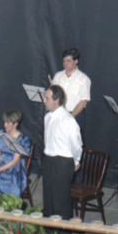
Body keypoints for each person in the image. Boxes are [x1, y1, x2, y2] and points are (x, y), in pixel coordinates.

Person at [42, 85, 82, 218]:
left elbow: (76, 145)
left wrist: (76, 161)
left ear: (56, 100)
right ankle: (49, 229)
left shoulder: (68, 120)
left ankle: (63, 231)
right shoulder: (47, 117)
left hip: (63, 162)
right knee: (48, 198)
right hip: (49, 160)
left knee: (61, 200)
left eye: (47, 98)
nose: (44, 101)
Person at [51, 47, 91, 133]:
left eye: (68, 61)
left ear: (76, 61)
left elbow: (83, 101)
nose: (65, 63)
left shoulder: (83, 79)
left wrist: (70, 117)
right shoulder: (58, 76)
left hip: (75, 115)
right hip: (58, 114)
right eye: (64, 61)